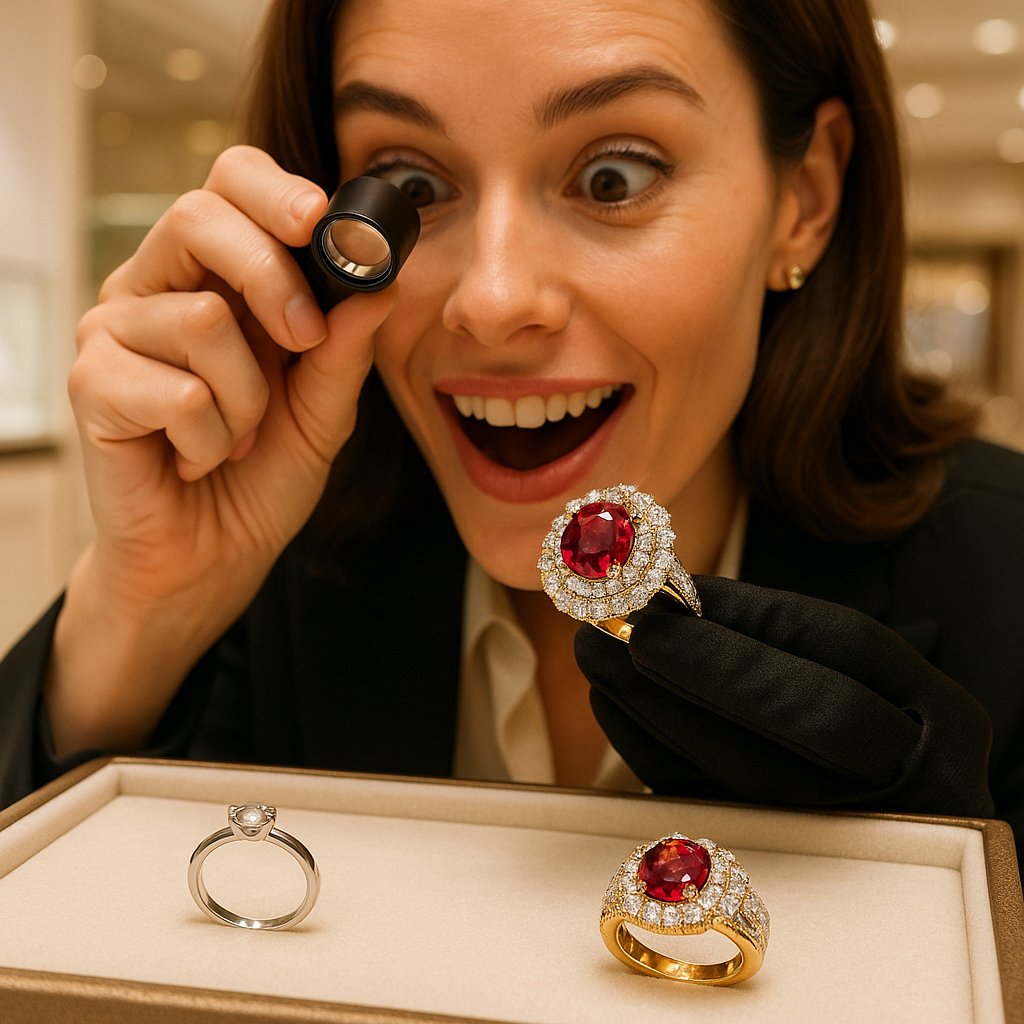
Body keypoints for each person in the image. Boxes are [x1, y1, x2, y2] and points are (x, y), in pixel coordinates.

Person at [1, 0, 1022, 868]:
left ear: (803, 201)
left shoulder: (1001, 578)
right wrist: (143, 608)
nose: (490, 301)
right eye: (410, 188)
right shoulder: (284, 581)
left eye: (614, 177)